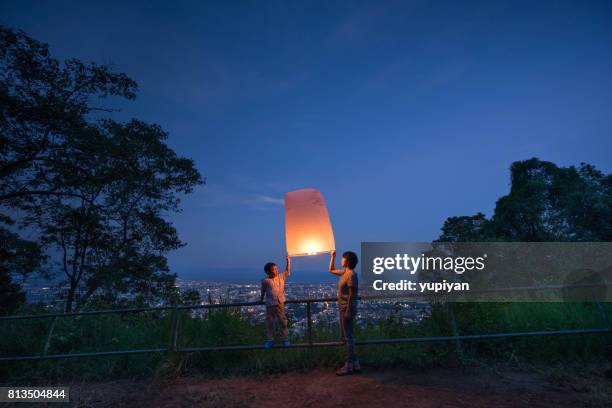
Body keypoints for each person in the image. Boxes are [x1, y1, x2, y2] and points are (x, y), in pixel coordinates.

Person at [329, 250, 360, 375]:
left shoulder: (351, 274)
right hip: (344, 308)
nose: (341, 260)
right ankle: (355, 363)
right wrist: (333, 257)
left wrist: (348, 310)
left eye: (342, 258)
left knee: (348, 338)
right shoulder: (345, 273)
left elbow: (352, 294)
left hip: (347, 308)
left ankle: (348, 365)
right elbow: (331, 270)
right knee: (348, 337)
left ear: (347, 261)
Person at [260, 255, 291, 349]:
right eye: (274, 269)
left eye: (276, 268)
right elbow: (263, 291)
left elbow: (287, 271)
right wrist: (261, 299)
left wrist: (288, 261)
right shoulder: (266, 281)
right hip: (270, 304)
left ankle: (285, 339)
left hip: (280, 303)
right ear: (268, 271)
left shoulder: (281, 276)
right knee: (269, 323)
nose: (276, 270)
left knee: (283, 322)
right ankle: (270, 340)